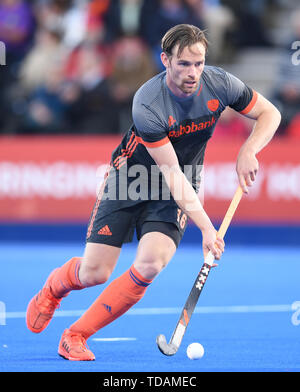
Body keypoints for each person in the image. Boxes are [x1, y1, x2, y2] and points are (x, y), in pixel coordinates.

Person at [26, 24, 281, 361]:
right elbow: (171, 173)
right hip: (130, 178)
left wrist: (249, 150)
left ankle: (76, 335)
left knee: (150, 265)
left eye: (199, 63)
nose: (193, 73)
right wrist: (207, 227)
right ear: (165, 60)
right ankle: (53, 288)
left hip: (177, 185)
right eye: (184, 64)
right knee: (94, 273)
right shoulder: (148, 103)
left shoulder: (220, 83)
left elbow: (270, 113)